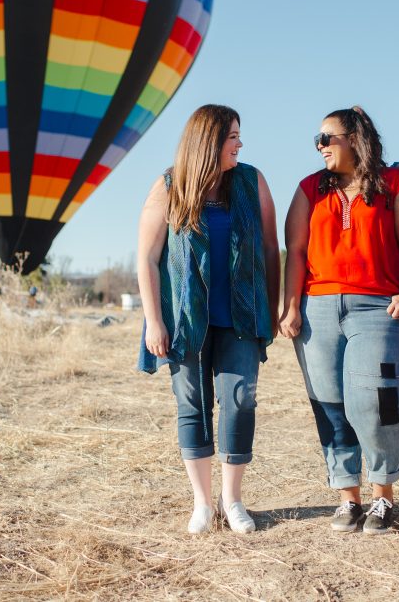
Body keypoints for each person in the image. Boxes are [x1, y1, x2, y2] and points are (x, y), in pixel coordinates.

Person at [279, 106, 399, 535]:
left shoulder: (395, 183)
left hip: (380, 306)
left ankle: (383, 496)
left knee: (376, 400)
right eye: (318, 140)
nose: (320, 146)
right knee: (329, 403)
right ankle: (348, 497)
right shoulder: (310, 188)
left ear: (355, 138)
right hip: (318, 307)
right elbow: (297, 252)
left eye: (327, 138)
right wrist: (290, 307)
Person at [137, 104, 279, 534]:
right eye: (233, 135)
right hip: (184, 319)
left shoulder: (253, 182)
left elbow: (271, 249)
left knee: (239, 401)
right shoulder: (168, 186)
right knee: (192, 406)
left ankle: (232, 499)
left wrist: (270, 310)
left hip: (240, 316)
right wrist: (154, 321)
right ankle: (201, 503)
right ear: (209, 141)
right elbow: (147, 257)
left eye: (239, 135)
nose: (240, 143)